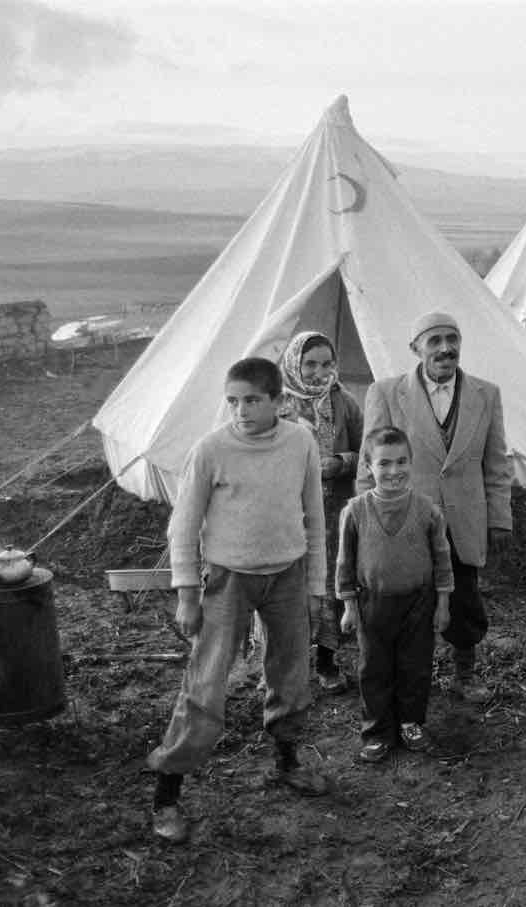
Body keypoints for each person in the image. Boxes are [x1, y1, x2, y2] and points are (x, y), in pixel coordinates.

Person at [147, 357, 331, 845]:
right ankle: (167, 793)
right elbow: (183, 525)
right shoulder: (211, 449)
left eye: (252, 400)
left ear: (278, 401)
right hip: (228, 579)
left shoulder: (301, 442)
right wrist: (187, 595)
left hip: (288, 575)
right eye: (232, 400)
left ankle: (287, 761)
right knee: (206, 683)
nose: (241, 410)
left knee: (291, 675)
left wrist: (315, 587)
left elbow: (314, 515)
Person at [358, 311, 513, 703]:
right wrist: (365, 524)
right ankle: (409, 682)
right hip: (404, 520)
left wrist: (499, 518)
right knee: (407, 605)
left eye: (452, 339)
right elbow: (367, 463)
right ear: (415, 348)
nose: (446, 348)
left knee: (464, 602)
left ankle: (465, 673)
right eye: (435, 341)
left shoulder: (486, 394)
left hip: (464, 521)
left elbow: (496, 463)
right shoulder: (386, 393)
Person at [338, 426, 454, 763]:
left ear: (412, 463)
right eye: (384, 463)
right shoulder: (355, 511)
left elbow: (442, 558)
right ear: (368, 466)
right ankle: (376, 731)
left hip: (419, 602)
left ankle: (410, 722)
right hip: (372, 603)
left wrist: (443, 602)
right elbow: (345, 562)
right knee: (374, 668)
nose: (393, 471)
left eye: (402, 462)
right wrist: (348, 605)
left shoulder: (427, 510)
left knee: (415, 666)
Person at [277, 331, 364, 695]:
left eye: (327, 363)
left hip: (333, 515)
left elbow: (369, 453)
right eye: (310, 363)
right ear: (295, 364)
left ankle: (327, 663)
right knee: (286, 588)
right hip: (286, 516)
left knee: (331, 585)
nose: (319, 371)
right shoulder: (277, 404)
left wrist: (341, 462)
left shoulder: (345, 402)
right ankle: (287, 666)